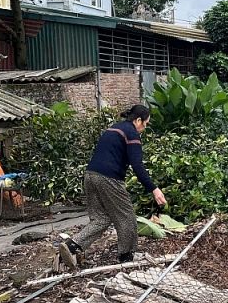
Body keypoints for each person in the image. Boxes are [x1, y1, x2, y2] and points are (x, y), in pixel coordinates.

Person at [59, 105, 167, 268]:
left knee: (101, 218)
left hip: (90, 176)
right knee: (127, 216)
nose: (144, 128)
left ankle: (71, 246)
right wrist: (154, 188)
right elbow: (137, 165)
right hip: (108, 178)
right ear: (138, 121)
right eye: (145, 124)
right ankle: (127, 256)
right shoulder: (131, 133)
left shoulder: (114, 128)